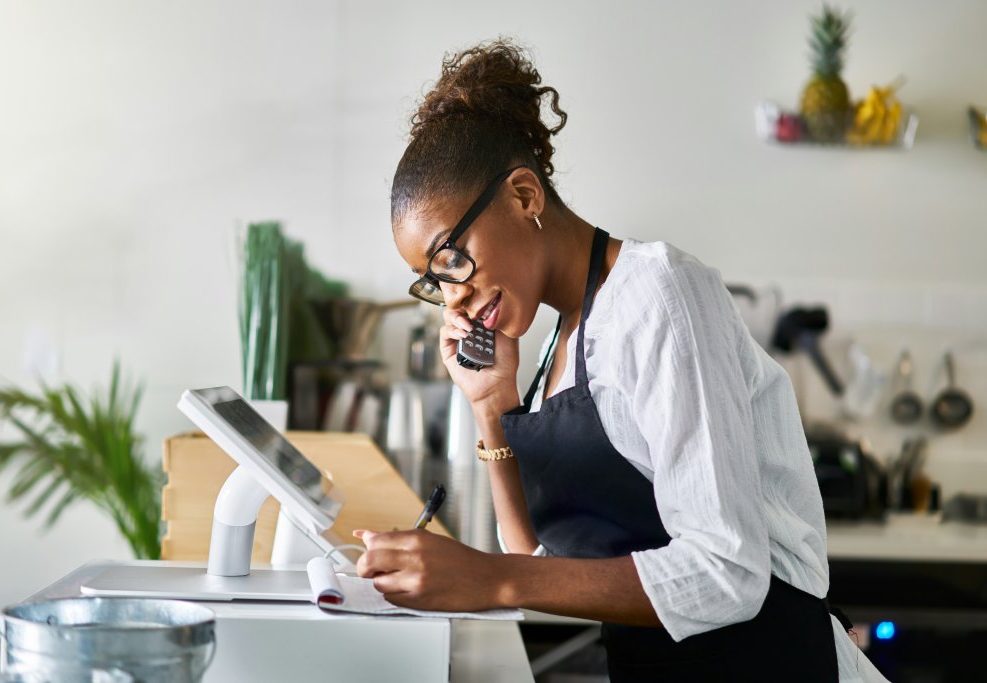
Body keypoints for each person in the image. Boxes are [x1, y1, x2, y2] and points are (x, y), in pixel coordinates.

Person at [354, 39, 884, 682]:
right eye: (433, 280)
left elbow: (730, 572)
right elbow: (540, 557)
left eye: (451, 258)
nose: (453, 293)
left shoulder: (660, 294)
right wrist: (492, 403)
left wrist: (491, 580)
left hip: (772, 663)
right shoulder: (560, 339)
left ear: (524, 197)